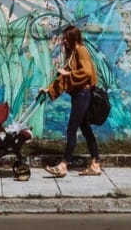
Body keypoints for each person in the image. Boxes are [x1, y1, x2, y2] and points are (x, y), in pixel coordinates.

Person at [39, 24, 101, 177]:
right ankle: (95, 164)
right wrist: (50, 89)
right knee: (86, 129)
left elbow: (86, 73)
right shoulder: (73, 53)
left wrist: (68, 74)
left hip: (83, 94)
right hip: (79, 95)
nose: (64, 42)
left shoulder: (81, 50)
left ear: (73, 38)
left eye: (66, 39)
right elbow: (63, 77)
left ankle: (63, 165)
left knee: (71, 129)